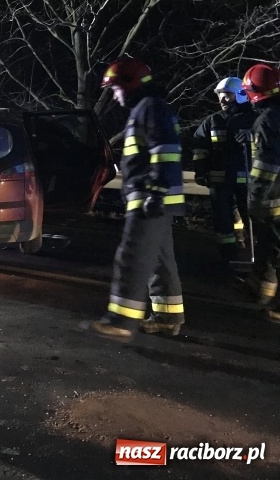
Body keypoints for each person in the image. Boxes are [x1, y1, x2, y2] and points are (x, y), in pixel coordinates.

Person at [90, 57, 186, 340]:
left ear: (130, 84)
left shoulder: (148, 108)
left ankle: (121, 320)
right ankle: (168, 318)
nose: (115, 95)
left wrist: (155, 192)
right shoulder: (153, 107)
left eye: (116, 88)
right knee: (159, 259)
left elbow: (166, 150)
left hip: (149, 199)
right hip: (158, 199)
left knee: (132, 257)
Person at [192, 77, 256, 263]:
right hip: (219, 182)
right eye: (220, 95)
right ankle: (227, 257)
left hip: (249, 182)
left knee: (253, 220)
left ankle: (261, 258)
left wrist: (251, 137)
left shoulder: (255, 120)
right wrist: (200, 171)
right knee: (222, 221)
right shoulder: (213, 121)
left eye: (227, 95)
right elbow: (199, 148)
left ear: (241, 95)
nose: (222, 100)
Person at [240, 64, 280, 313]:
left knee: (274, 249)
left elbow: (266, 167)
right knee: (270, 250)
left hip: (272, 199)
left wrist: (254, 198)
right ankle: (262, 292)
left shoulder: (267, 121)